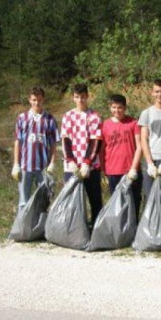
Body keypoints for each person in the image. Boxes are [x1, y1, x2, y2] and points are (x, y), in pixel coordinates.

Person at [61, 83, 103, 224]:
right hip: (72, 167)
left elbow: (95, 141)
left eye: (83, 97)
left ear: (87, 97)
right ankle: (74, 229)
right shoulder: (67, 116)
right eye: (77, 97)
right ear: (73, 98)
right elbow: (65, 140)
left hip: (89, 167)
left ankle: (96, 228)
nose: (80, 100)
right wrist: (70, 160)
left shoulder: (94, 116)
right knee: (72, 200)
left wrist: (86, 163)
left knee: (95, 199)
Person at [11, 86, 59, 210]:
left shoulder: (50, 119)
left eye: (39, 99)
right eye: (34, 100)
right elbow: (18, 141)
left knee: (43, 199)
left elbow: (53, 143)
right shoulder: (22, 118)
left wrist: (52, 163)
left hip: (43, 167)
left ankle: (40, 226)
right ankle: (22, 227)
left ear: (43, 99)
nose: (37, 103)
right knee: (23, 201)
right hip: (25, 166)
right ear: (29, 100)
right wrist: (16, 164)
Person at [100, 94, 143, 218]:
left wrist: (134, 168)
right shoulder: (105, 125)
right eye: (114, 107)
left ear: (125, 108)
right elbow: (101, 150)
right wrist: (103, 170)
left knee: (134, 201)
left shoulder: (133, 123)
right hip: (113, 171)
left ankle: (134, 228)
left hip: (131, 171)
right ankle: (120, 230)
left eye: (120, 107)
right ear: (110, 108)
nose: (117, 110)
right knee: (117, 203)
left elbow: (139, 147)